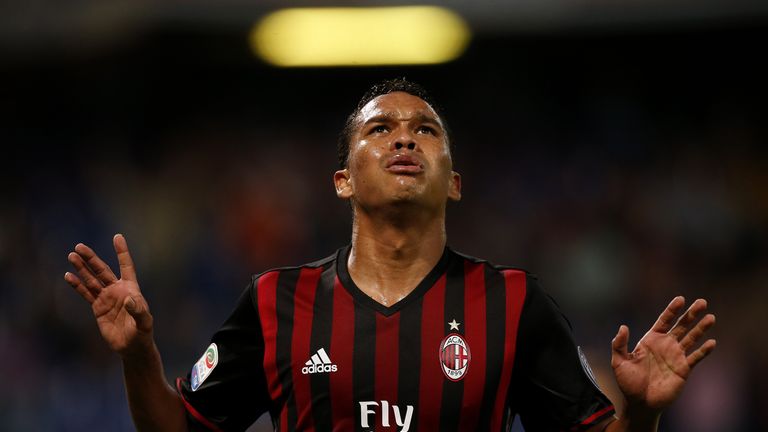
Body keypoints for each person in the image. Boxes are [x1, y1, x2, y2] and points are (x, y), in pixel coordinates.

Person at [64, 79, 716, 432]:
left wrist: (642, 413)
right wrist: (138, 354)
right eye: (381, 129)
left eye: (425, 130)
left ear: (453, 181)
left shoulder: (514, 302)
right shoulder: (272, 302)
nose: (404, 139)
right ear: (342, 180)